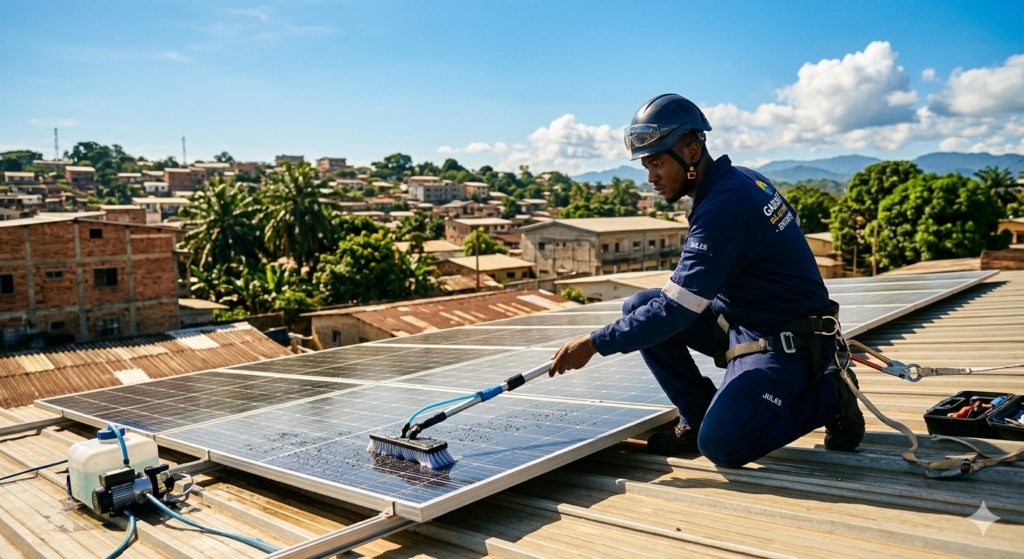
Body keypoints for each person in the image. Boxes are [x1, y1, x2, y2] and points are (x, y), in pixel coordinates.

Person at [549, 93, 865, 468]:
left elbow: (676, 311)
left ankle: (831, 392)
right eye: (646, 166)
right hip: (745, 320)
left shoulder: (723, 208)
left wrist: (594, 343)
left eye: (658, 164)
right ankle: (697, 413)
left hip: (789, 341)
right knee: (638, 307)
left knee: (723, 444)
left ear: (693, 153)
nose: (650, 177)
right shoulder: (740, 179)